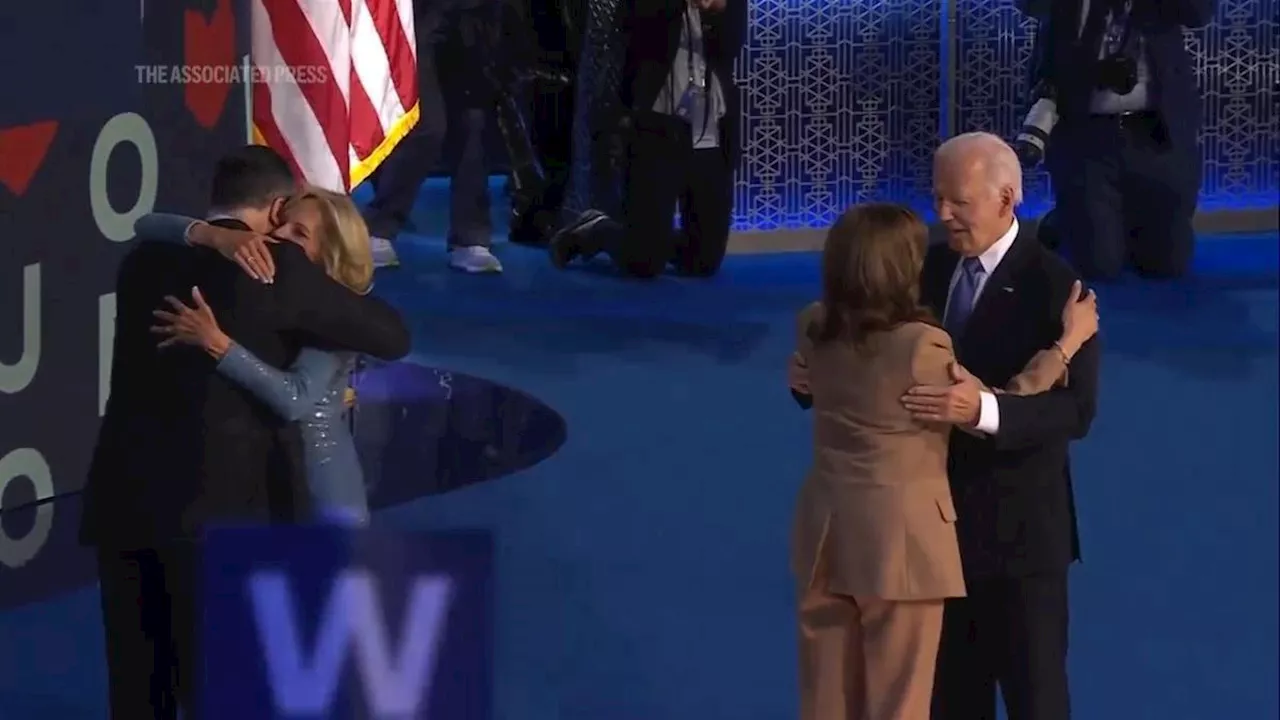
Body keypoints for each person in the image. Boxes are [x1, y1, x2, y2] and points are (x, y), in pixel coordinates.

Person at [79, 145, 412, 719]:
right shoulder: (278, 271)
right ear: (276, 205)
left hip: (123, 502)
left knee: (136, 692)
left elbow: (148, 223)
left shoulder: (145, 259)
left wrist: (206, 237)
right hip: (215, 511)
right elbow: (392, 336)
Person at [789, 202, 1098, 720]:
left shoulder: (814, 325)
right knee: (901, 698)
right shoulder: (921, 347)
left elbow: (815, 381)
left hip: (826, 536)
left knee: (828, 696)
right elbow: (995, 400)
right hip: (898, 549)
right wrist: (1065, 348)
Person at [895, 132, 1100, 720]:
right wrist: (813, 370)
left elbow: (1075, 412)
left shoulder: (1057, 287)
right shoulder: (927, 267)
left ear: (1007, 198)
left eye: (958, 201)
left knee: (1036, 700)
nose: (943, 214)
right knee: (952, 701)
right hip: (936, 534)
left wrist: (981, 412)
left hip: (1021, 543)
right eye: (938, 199)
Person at [133, 188, 378, 526]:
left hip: (322, 495)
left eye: (299, 233)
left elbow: (296, 398)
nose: (278, 235)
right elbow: (146, 225)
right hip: (282, 481)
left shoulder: (334, 317)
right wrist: (216, 235)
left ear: (329, 257)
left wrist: (216, 343)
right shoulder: (280, 290)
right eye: (282, 224)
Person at [549, 0, 747, 278]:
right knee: (642, 264)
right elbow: (632, 27)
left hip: (709, 122)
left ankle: (652, 238)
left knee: (703, 262)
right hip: (657, 120)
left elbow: (733, 45)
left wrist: (718, 11)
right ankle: (596, 229)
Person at [1034, 0, 1216, 280]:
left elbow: (1200, 13)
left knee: (1168, 265)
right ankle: (1068, 219)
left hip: (1155, 131)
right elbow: (1030, 6)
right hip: (1087, 134)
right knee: (1098, 267)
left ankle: (1120, 219)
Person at [362, 0, 506, 273]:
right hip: (416, 14)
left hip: (477, 15)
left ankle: (470, 237)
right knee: (426, 125)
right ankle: (379, 226)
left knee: (474, 123)